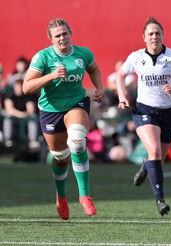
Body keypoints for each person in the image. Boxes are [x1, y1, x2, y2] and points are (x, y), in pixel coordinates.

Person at [22, 18, 104, 220]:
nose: (62, 38)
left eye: (64, 33)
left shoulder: (83, 53)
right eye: (57, 35)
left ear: (70, 33)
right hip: (51, 110)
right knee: (60, 158)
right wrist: (50, 76)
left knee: (77, 143)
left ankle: (84, 195)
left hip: (76, 103)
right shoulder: (43, 57)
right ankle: (61, 196)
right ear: (51, 39)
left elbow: (93, 69)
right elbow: (26, 87)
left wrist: (99, 87)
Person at [116, 16, 171, 216]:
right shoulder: (136, 57)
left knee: (157, 159)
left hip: (169, 113)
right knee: (155, 152)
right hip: (145, 110)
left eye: (157, 33)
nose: (154, 37)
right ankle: (160, 200)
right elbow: (120, 75)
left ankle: (146, 165)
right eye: (150, 34)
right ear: (143, 37)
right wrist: (122, 96)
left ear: (163, 36)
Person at [2, 78, 39, 148]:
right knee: (7, 117)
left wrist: (25, 114)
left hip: (26, 116)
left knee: (33, 117)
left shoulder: (27, 94)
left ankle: (33, 140)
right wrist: (20, 114)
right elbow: (9, 109)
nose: (18, 89)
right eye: (17, 87)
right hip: (14, 116)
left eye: (20, 87)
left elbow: (31, 109)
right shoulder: (10, 94)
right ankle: (8, 140)